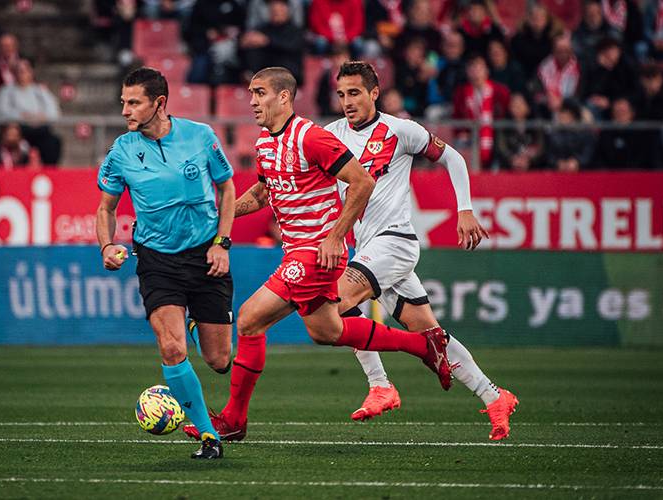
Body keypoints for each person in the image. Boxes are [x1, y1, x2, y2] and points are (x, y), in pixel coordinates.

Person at [182, 66, 452, 442]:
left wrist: (335, 237)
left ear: (283, 97)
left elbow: (363, 181)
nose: (253, 101)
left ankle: (233, 420)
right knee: (327, 330)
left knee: (248, 321)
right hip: (298, 251)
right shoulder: (264, 143)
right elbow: (263, 194)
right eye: (251, 94)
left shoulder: (311, 137)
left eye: (260, 93)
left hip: (315, 253)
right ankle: (425, 344)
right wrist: (219, 215)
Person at [325, 60, 517, 440]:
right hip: (369, 248)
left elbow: (453, 157)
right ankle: (495, 396)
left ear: (374, 93)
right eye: (342, 94)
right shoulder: (331, 134)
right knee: (431, 335)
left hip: (394, 243)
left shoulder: (400, 130)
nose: (347, 101)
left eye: (355, 93)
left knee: (335, 303)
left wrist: (464, 209)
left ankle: (380, 384)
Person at [95, 67, 237, 459]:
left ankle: (195, 322)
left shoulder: (201, 137)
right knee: (172, 348)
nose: (125, 109)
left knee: (219, 360)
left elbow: (227, 189)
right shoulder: (121, 150)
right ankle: (209, 437)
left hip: (206, 256)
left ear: (159, 103)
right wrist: (107, 245)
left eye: (133, 102)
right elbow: (105, 209)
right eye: (123, 101)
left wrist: (222, 243)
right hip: (156, 260)